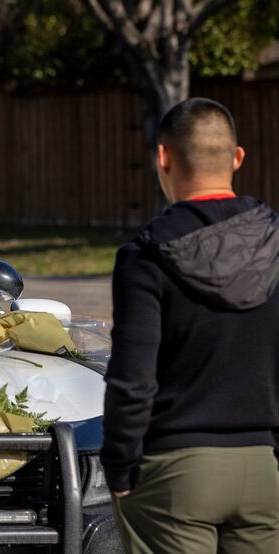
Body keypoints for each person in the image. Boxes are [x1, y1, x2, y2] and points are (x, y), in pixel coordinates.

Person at [101, 97, 279, 553]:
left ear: (163, 157)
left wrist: (119, 465)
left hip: (175, 472)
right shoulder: (274, 244)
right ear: (237, 157)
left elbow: (132, 377)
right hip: (264, 469)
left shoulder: (145, 257)